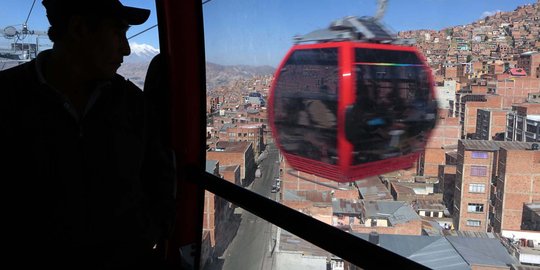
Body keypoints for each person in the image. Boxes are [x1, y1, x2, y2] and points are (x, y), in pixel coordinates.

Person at [0, 1, 175, 269]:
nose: (126, 49)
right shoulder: (7, 100)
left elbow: (160, 179)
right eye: (118, 33)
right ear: (79, 29)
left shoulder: (133, 106)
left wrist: (141, 239)